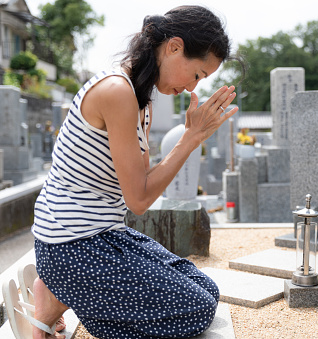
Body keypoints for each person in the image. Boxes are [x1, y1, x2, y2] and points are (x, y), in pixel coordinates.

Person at [30, 5, 239, 339]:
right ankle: (58, 294)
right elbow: (139, 200)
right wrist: (191, 139)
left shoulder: (141, 101)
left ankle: (63, 294)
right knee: (196, 309)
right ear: (174, 47)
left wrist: (190, 138)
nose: (192, 87)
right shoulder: (117, 91)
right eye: (198, 74)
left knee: (205, 290)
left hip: (105, 235)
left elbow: (143, 182)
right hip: (71, 246)